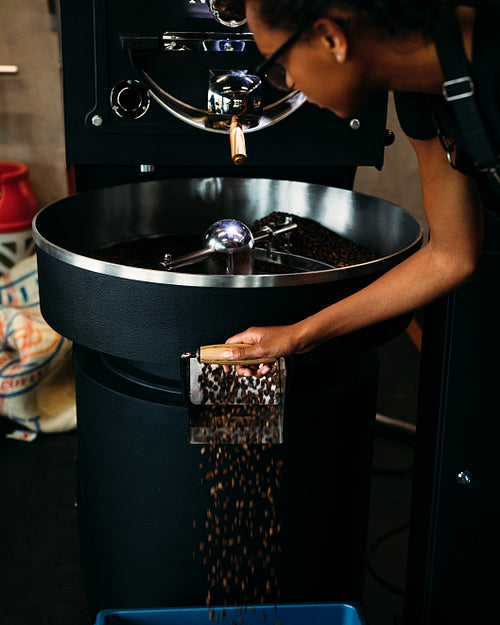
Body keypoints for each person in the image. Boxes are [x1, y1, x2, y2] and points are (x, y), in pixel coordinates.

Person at [221, 0, 500, 375]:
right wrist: (298, 336)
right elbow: (451, 256)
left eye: (280, 63)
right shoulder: (417, 98)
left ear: (330, 38)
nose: (288, 82)